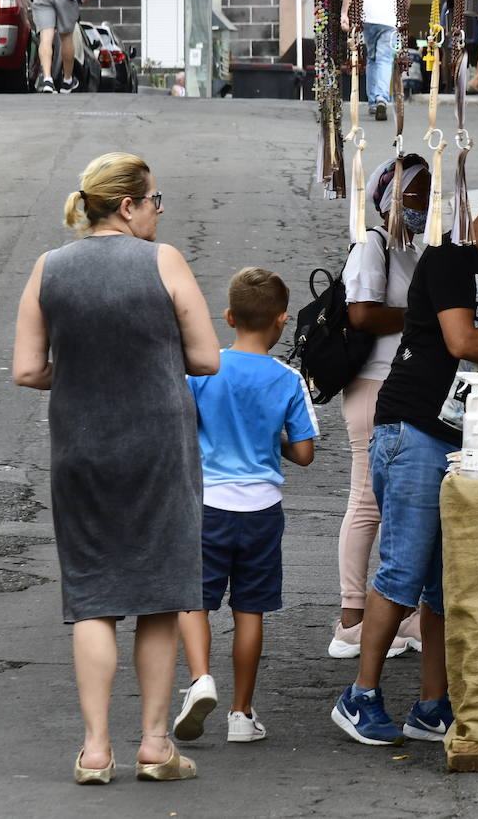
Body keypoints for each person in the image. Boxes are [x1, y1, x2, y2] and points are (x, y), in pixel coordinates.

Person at [329, 161, 478, 746]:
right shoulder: (448, 261)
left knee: (440, 582)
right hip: (413, 430)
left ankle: (434, 705)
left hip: (457, 440)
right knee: (404, 569)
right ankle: (359, 696)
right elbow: (465, 340)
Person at [12, 153, 220, 783]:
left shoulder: (48, 268)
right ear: (128, 205)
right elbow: (207, 357)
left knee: (94, 597)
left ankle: (96, 749)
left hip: (82, 446)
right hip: (159, 446)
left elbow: (27, 369)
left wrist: (80, 372)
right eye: (156, 199)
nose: (159, 210)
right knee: (160, 596)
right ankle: (155, 745)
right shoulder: (164, 262)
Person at [172, 267, 319, 745]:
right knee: (250, 610)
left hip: (208, 505)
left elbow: (180, 428)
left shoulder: (202, 370)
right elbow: (303, 452)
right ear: (281, 321)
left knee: (194, 600)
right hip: (261, 511)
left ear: (229, 315)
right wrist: (268, 436)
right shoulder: (288, 379)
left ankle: (200, 679)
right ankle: (241, 713)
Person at [328, 154, 430, 660]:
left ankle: (404, 616)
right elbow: (362, 313)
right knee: (367, 499)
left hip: (403, 387)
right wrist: (420, 316)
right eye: (416, 195)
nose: (425, 204)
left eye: (429, 194)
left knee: (397, 502)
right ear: (391, 199)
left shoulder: (413, 251)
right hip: (372, 385)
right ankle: (351, 618)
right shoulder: (373, 245)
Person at [341, 0, 403, 121]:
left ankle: (373, 102)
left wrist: (344, 13)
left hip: (367, 16)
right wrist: (403, 17)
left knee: (372, 58)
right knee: (384, 59)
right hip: (389, 19)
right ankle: (381, 97)